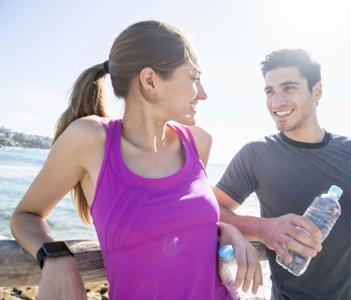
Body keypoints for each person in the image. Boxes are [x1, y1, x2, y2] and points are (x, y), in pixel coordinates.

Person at [10, 20, 262, 300]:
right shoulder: (89, 140)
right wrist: (56, 257)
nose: (202, 93)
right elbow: (26, 216)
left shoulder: (199, 142)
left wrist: (226, 229)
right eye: (193, 77)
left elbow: (184, 225)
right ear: (150, 81)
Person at [214, 48, 351, 300]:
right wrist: (261, 228)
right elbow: (210, 210)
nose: (276, 102)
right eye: (270, 91)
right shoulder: (255, 154)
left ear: (317, 91)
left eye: (288, 88)